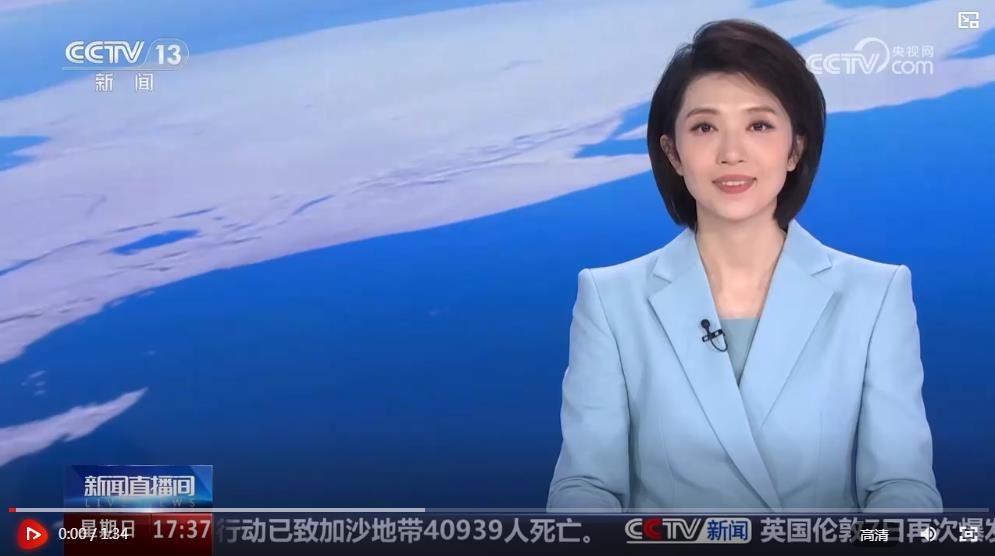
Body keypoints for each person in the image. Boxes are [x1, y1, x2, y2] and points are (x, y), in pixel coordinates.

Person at [546, 19, 942, 513]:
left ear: (796, 147)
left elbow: (901, 487)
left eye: (759, 126)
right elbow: (586, 486)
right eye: (705, 127)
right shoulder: (611, 300)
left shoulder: (875, 295)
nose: (732, 153)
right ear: (673, 152)